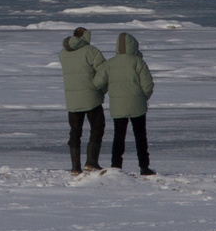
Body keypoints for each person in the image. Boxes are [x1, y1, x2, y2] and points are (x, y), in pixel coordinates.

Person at [94, 31, 156, 175]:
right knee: (141, 136)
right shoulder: (138, 62)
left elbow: (97, 83)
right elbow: (148, 85)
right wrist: (142, 99)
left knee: (119, 136)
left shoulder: (109, 63)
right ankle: (144, 167)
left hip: (118, 105)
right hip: (137, 105)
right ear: (133, 46)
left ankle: (116, 165)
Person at [59, 26, 107, 174]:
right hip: (91, 96)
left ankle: (75, 167)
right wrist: (99, 88)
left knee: (75, 132)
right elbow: (104, 72)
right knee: (97, 128)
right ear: (85, 36)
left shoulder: (63, 53)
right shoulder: (91, 51)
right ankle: (91, 162)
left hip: (72, 99)